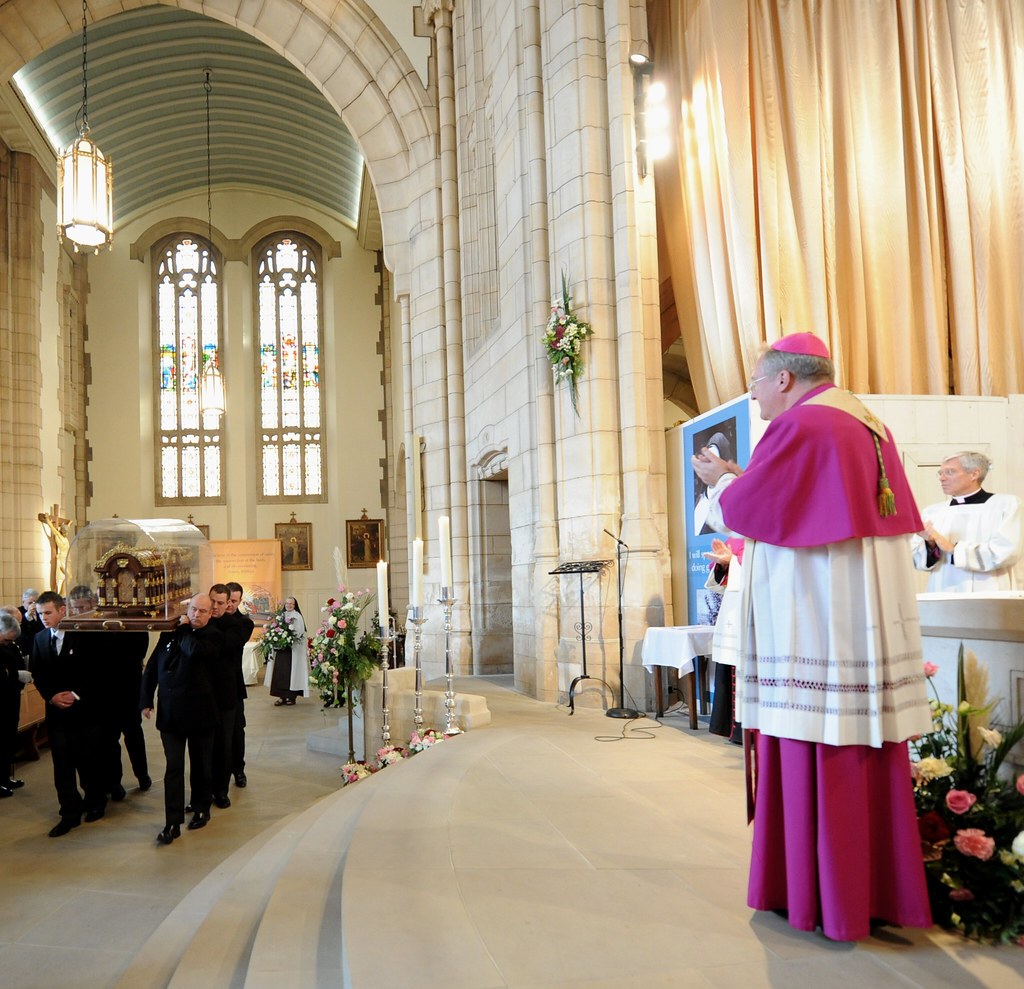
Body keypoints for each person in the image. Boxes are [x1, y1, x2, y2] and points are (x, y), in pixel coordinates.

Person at [691, 331, 933, 942]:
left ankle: (820, 896)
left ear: (784, 379)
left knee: (818, 739)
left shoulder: (801, 426)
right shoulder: (865, 421)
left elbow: (749, 510)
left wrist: (720, 482)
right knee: (860, 743)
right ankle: (871, 890)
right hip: (856, 618)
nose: (752, 393)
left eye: (755, 380)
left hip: (813, 622)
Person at [141, 593, 222, 844]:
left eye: (202, 612)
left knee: (200, 764)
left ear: (211, 614)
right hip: (171, 713)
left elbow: (193, 651)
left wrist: (185, 628)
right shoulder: (170, 633)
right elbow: (153, 666)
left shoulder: (213, 637)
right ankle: (172, 822)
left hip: (200, 713)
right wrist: (145, 699)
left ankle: (200, 807)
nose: (196, 615)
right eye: (193, 610)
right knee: (173, 768)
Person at [30, 591, 108, 837]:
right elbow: (38, 673)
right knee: (61, 766)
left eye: (48, 613)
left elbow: (96, 671)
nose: (44, 618)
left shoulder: (83, 635)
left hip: (83, 711)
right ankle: (69, 813)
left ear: (62, 610)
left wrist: (74, 694)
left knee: (87, 760)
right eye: (41, 613)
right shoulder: (40, 639)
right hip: (56, 714)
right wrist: (51, 696)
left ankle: (95, 802)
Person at [910, 451, 1024, 593]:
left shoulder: (1006, 505)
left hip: (990, 588)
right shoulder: (933, 512)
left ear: (974, 474)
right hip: (943, 589)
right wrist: (931, 544)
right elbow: (916, 559)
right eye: (940, 473)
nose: (942, 478)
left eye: (949, 472)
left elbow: (1006, 552)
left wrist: (953, 549)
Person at [702, 537, 743, 743]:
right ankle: (734, 730)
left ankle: (748, 734)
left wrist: (732, 562)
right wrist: (723, 565)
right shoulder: (734, 538)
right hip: (733, 612)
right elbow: (718, 584)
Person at [225, 582, 255, 788]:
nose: (229, 605)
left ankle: (239, 769)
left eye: (234, 601)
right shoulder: (212, 618)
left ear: (239, 601)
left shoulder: (244, 623)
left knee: (237, 731)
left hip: (233, 686)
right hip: (213, 687)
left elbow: (229, 642)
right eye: (227, 601)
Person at [0, 612, 31, 797]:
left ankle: (5, 778)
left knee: (7, 740)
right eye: (6, 640)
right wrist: (15, 675)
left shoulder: (8, 644)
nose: (8, 644)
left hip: (10, 698)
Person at [265, 597, 309, 705]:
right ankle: (281, 696)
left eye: (291, 604)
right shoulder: (281, 615)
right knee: (280, 673)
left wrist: (289, 639)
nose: (288, 605)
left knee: (291, 673)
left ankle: (291, 697)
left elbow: (299, 633)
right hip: (282, 650)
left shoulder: (297, 616)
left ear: (295, 605)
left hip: (293, 652)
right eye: (287, 603)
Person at [17, 588, 43, 655]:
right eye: (30, 603)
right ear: (23, 602)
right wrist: (27, 615)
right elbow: (17, 628)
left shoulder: (41, 612)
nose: (33, 605)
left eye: (35, 602)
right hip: (24, 647)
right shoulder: (17, 612)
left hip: (40, 646)